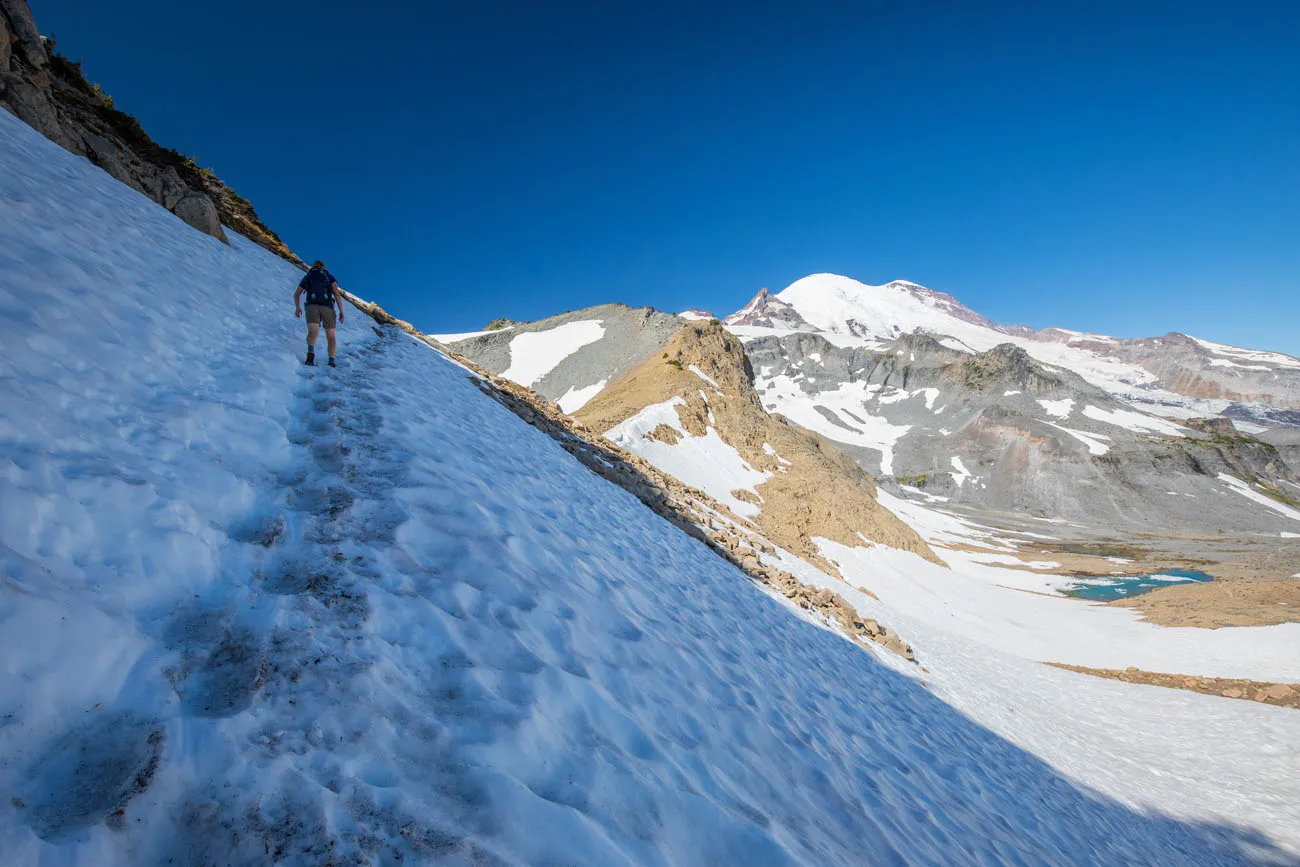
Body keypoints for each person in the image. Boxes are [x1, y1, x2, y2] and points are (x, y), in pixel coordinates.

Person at [294, 259, 345, 366]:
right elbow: (336, 293)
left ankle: (310, 353)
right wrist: (341, 311)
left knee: (312, 332)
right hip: (327, 307)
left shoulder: (309, 275)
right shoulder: (329, 276)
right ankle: (331, 361)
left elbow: (297, 293)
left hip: (311, 306)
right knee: (330, 336)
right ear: (324, 267)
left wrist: (298, 307)